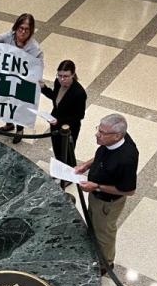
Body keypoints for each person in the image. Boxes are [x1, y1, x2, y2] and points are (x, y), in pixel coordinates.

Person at [75, 114, 138, 273]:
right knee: (94, 223)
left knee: (104, 233)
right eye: (98, 129)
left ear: (117, 136)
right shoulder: (113, 141)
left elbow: (129, 190)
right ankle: (92, 247)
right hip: (96, 194)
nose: (97, 134)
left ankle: (106, 264)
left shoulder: (126, 159)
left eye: (102, 133)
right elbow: (102, 153)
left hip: (107, 203)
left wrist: (96, 186)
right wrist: (86, 165)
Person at [0, 13, 43, 143]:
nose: (23, 32)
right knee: (5, 102)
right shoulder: (9, 36)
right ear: (16, 27)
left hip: (22, 82)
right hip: (6, 78)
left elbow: (38, 66)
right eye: (21, 28)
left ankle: (20, 129)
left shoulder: (34, 48)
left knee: (19, 105)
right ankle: (9, 124)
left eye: (27, 29)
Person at [41, 60, 87, 175]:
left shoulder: (79, 93)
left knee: (67, 152)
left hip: (69, 127)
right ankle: (60, 170)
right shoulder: (58, 82)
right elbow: (55, 98)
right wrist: (43, 88)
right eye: (60, 75)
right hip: (55, 123)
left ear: (73, 74)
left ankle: (69, 175)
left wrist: (59, 121)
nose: (62, 79)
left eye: (66, 76)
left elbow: (79, 116)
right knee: (57, 148)